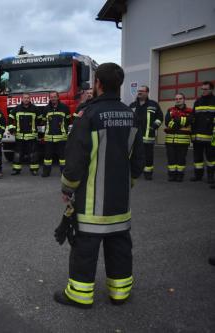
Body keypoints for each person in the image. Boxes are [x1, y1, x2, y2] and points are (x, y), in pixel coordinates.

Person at [54, 63, 144, 309]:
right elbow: (138, 160)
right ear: (120, 84)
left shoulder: (89, 115)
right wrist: (128, 183)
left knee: (85, 248)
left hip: (92, 203)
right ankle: (120, 293)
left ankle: (80, 295)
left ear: (98, 85)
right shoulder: (132, 114)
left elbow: (75, 159)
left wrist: (67, 187)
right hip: (120, 201)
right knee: (120, 246)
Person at [129, 85, 163, 180]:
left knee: (148, 156)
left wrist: (154, 126)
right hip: (134, 137)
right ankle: (134, 172)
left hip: (148, 136)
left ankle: (148, 173)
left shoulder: (153, 104)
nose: (139, 92)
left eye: (142, 91)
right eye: (138, 91)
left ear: (147, 92)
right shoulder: (133, 105)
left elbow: (160, 117)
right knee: (134, 155)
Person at [8, 93, 40, 175]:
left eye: (28, 98)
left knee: (33, 154)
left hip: (31, 136)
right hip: (19, 136)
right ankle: (16, 169)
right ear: (22, 99)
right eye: (25, 98)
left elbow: (40, 119)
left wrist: (36, 128)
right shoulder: (17, 108)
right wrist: (11, 128)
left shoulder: (35, 109)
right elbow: (10, 118)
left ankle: (34, 169)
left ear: (30, 99)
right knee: (17, 154)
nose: (26, 99)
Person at [41, 91, 71, 177]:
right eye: (51, 97)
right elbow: (43, 121)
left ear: (58, 97)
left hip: (61, 137)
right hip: (49, 137)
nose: (53, 98)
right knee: (47, 157)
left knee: (62, 158)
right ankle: (46, 173)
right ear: (49, 98)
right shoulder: (46, 108)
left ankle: (64, 173)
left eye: (55, 97)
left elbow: (68, 120)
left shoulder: (65, 108)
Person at [190, 81, 215, 183]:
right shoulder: (198, 101)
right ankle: (198, 175)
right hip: (197, 137)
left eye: (206, 89)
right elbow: (193, 115)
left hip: (210, 136)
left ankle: (210, 177)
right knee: (198, 158)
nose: (203, 91)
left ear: (211, 89)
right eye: (202, 89)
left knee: (211, 159)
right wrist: (191, 119)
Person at [164, 93, 193, 182]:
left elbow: (189, 121)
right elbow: (167, 122)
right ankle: (172, 175)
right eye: (176, 99)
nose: (178, 100)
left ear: (184, 99)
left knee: (181, 159)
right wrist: (180, 121)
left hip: (183, 140)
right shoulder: (170, 110)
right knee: (171, 159)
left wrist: (176, 119)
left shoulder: (190, 111)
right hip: (170, 140)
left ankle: (180, 175)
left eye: (180, 98)